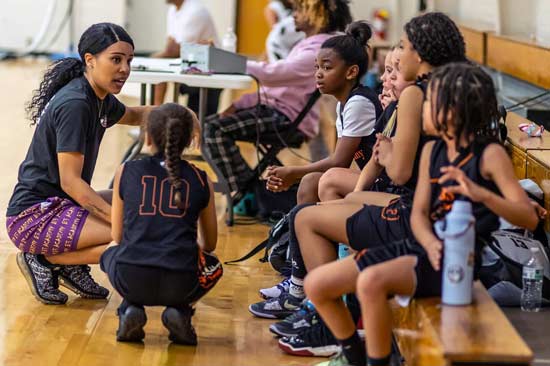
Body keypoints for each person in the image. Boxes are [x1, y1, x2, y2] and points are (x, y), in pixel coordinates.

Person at [307, 63, 540, 366]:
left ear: (452, 110)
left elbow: (529, 217)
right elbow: (418, 213)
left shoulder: (489, 154)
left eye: (430, 103)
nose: (422, 108)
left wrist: (482, 194)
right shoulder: (433, 151)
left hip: (456, 264)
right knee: (318, 286)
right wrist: (428, 241)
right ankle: (354, 355)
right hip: (421, 248)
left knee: (371, 283)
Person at [249, 12, 468, 321]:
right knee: (329, 194)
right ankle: (320, 300)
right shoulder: (447, 90)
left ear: (418, 55)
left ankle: (325, 312)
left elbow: (400, 172)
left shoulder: (416, 95)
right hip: (437, 215)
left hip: (420, 214)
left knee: (306, 216)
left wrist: (389, 152)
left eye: (402, 47)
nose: (389, 71)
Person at [6, 23, 151, 305]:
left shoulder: (98, 97)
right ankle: (45, 259)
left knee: (139, 204)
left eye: (129, 61)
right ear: (90, 60)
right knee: (133, 234)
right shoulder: (76, 103)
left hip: (61, 206)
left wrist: (179, 114)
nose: (125, 69)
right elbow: (70, 182)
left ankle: (67, 262)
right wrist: (120, 222)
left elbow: (134, 115)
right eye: (116, 59)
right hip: (33, 217)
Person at [203, 0, 352, 207]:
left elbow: (273, 75)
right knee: (211, 126)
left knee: (213, 129)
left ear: (318, 15)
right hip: (276, 111)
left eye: (300, 10)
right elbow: (274, 88)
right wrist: (240, 103)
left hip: (285, 118)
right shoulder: (308, 45)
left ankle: (250, 193)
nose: (293, 14)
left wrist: (230, 61)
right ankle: (251, 190)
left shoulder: (318, 51)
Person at [100, 103, 222, 344]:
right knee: (214, 265)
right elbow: (209, 244)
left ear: (147, 138)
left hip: (130, 277)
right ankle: (180, 311)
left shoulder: (126, 170)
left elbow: (118, 235)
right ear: (188, 140)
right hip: (182, 281)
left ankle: (129, 307)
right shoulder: (201, 178)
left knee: (110, 250)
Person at [265, 21, 383, 205]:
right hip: (371, 177)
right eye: (317, 67)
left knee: (323, 180)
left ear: (351, 72)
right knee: (310, 181)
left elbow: (339, 162)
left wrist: (292, 172)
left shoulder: (359, 103)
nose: (318, 74)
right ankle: (300, 229)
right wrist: (294, 175)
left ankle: (313, 227)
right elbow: (339, 161)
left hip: (383, 182)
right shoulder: (343, 104)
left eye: (327, 68)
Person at [153, 0, 221, 115]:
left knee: (201, 124)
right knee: (158, 63)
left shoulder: (196, 11)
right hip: (192, 65)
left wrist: (155, 57)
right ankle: (154, 116)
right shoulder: (173, 10)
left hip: (211, 72)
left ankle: (154, 116)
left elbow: (176, 50)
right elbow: (171, 45)